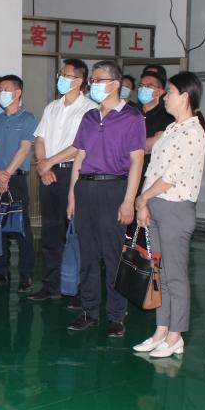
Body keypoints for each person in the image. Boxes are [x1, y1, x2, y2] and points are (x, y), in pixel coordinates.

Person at [66, 61, 146, 336]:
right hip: (85, 188)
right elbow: (80, 156)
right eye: (93, 80)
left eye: (99, 80)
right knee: (87, 254)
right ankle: (89, 311)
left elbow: (137, 161)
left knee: (113, 256)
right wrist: (72, 195)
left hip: (113, 188)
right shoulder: (88, 117)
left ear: (115, 84)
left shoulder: (132, 117)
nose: (94, 85)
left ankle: (116, 315)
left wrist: (128, 200)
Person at [132, 72, 205, 358]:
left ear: (185, 97)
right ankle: (161, 330)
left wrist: (143, 198)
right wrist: (144, 204)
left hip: (175, 208)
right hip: (155, 205)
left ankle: (176, 335)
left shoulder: (193, 132)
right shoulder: (173, 128)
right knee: (159, 274)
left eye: (171, 92)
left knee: (175, 276)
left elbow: (172, 175)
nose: (165, 97)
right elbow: (153, 170)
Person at [29, 58, 96, 302]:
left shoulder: (90, 109)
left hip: (73, 173)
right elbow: (40, 139)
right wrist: (43, 165)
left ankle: (78, 288)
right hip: (48, 173)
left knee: (76, 232)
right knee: (51, 231)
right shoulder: (52, 107)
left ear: (79, 80)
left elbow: (79, 145)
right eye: (60, 74)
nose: (61, 78)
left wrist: (50, 161)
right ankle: (51, 285)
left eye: (66, 75)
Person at [0, 74, 38, 292]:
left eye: (4, 89)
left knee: (21, 229)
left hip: (16, 180)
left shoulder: (28, 118)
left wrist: (7, 175)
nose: (0, 93)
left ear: (17, 92)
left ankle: (26, 276)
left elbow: (24, 149)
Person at [136, 68, 173, 184]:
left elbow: (154, 144)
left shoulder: (167, 116)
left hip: (152, 177)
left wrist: (128, 146)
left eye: (148, 86)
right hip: (128, 174)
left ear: (160, 92)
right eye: (141, 85)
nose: (143, 89)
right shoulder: (132, 113)